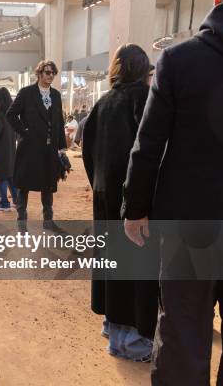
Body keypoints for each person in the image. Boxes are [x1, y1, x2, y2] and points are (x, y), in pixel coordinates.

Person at [122, 0, 223, 384]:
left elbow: (148, 143)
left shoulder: (179, 59)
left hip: (189, 223)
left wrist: (135, 209)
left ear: (217, 0)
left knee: (184, 332)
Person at [82, 44, 158, 363]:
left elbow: (88, 153)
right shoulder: (144, 100)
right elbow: (151, 151)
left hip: (104, 195)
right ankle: (131, 342)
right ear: (143, 70)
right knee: (136, 269)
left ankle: (111, 328)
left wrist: (99, 186)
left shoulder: (102, 103)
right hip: (134, 198)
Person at [6, 60, 67, 230]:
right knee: (24, 183)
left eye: (53, 73)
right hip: (29, 148)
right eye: (47, 72)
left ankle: (48, 220)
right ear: (39, 73)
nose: (50, 76)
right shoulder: (26, 93)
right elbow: (10, 115)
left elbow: (59, 122)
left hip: (49, 148)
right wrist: (24, 132)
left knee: (48, 183)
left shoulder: (55, 95)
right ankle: (21, 218)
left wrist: (61, 147)